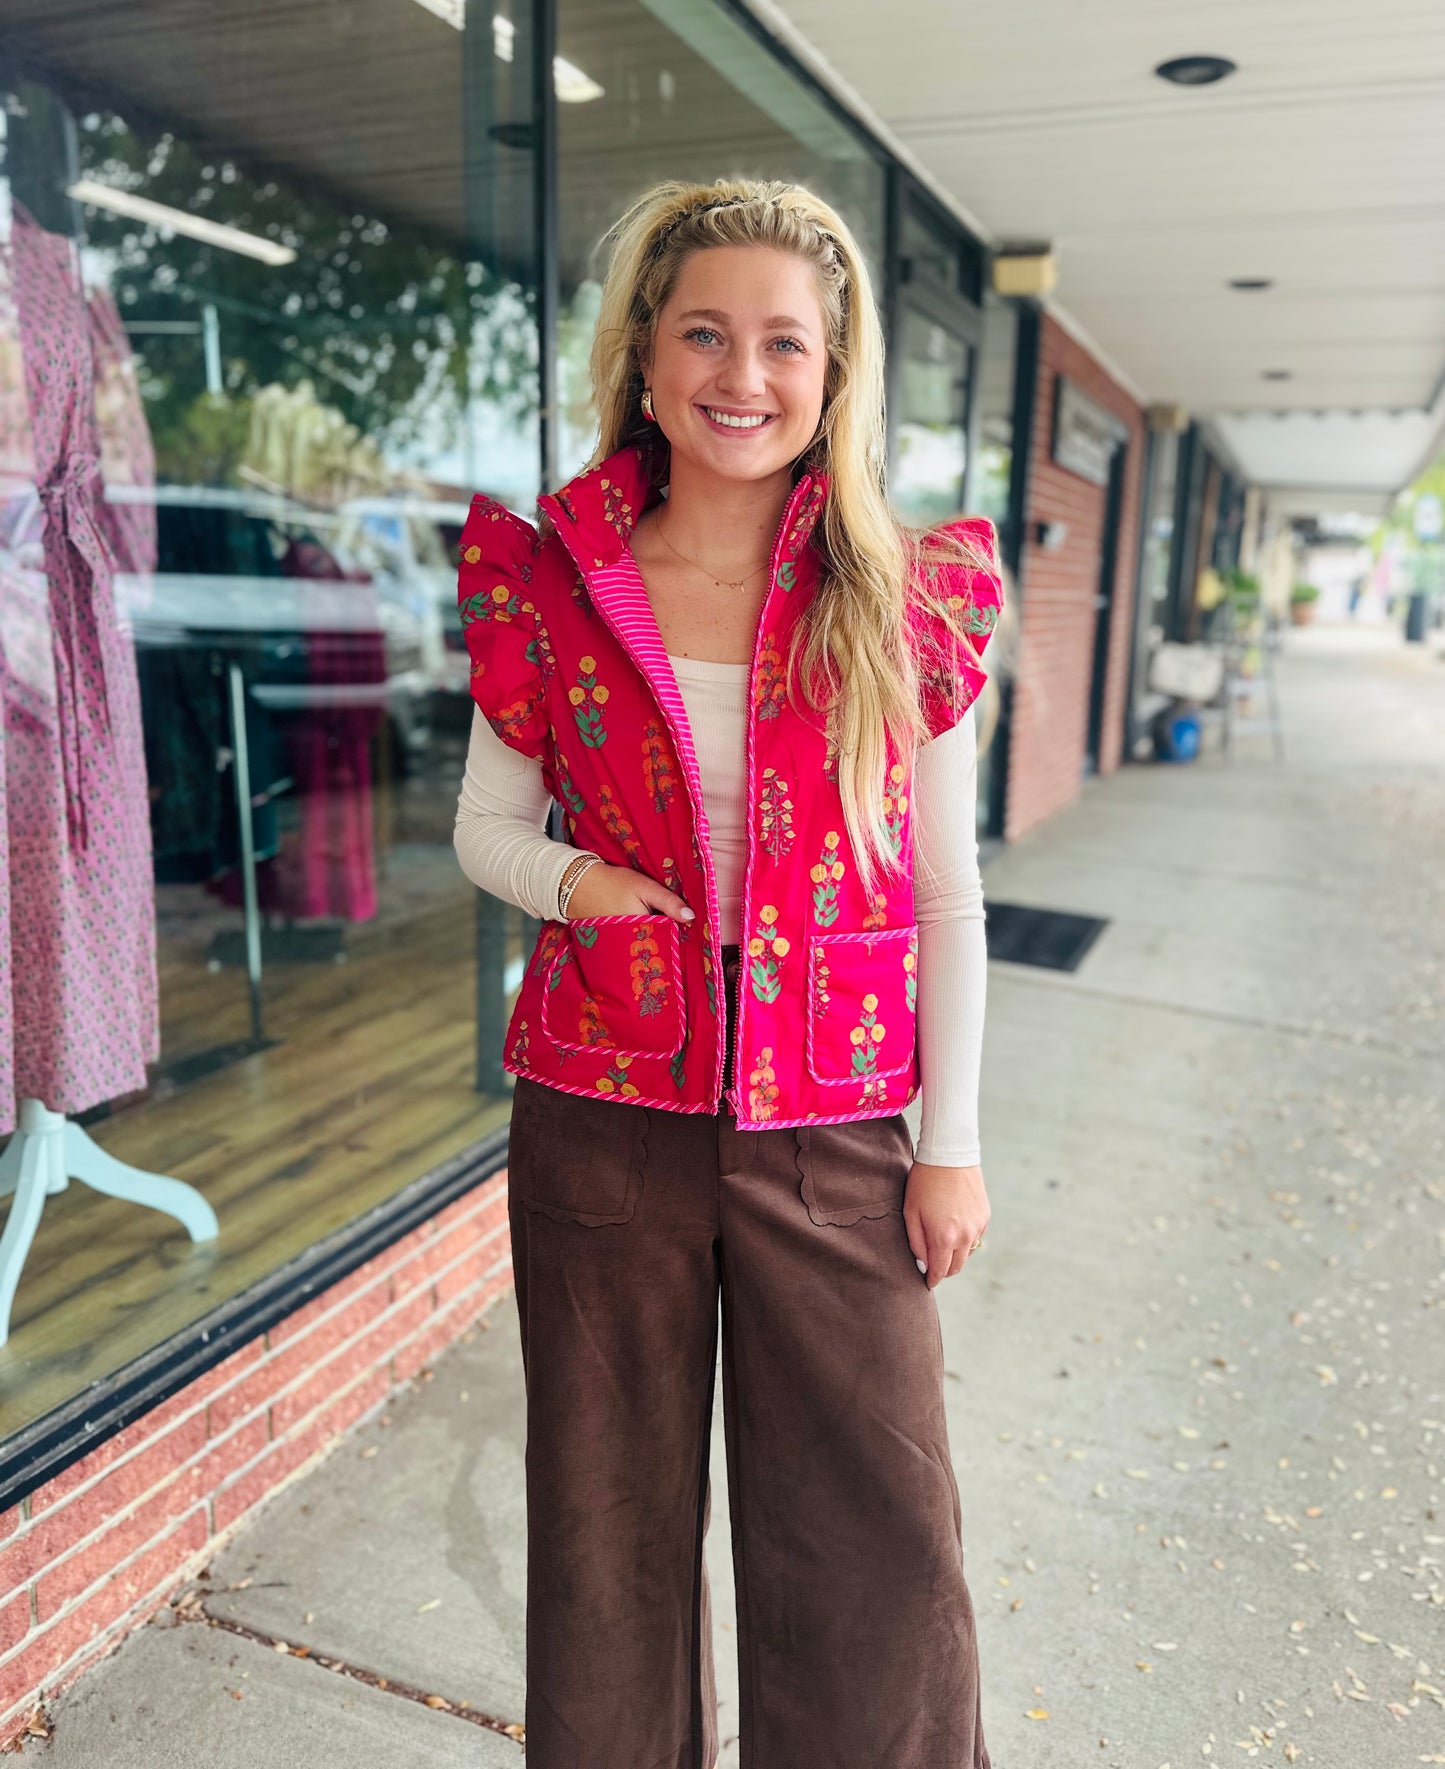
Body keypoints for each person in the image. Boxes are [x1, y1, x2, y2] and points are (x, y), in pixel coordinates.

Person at [453, 177, 1002, 1769]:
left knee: (880, 1537)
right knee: (604, 1532)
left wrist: (948, 1137)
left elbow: (947, 896)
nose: (740, 376)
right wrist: (581, 882)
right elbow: (487, 828)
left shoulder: (903, 599)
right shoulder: (548, 586)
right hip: (601, 1117)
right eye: (704, 331)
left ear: (833, 380)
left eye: (784, 343)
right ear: (643, 352)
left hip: (832, 1133)